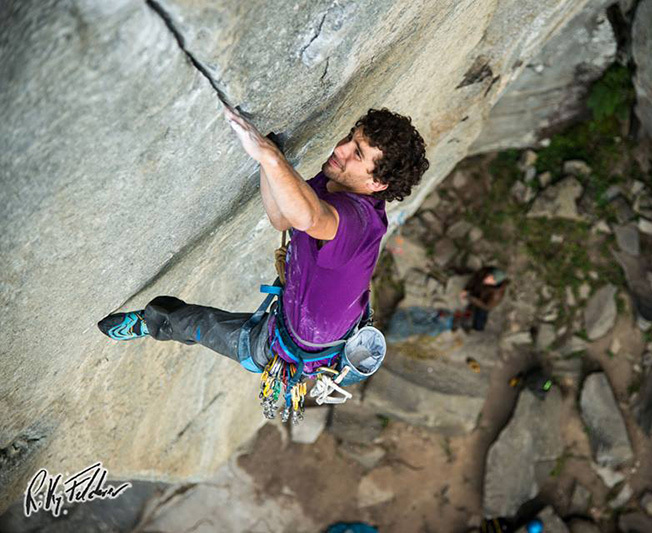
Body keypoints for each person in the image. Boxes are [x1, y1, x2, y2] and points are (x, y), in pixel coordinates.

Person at [98, 106, 429, 418]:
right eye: (350, 138)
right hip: (289, 322)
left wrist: (270, 157)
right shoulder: (334, 182)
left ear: (376, 184)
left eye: (356, 153)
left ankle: (149, 322)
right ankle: (157, 320)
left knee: (197, 324)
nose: (340, 148)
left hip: (286, 347)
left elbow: (312, 217)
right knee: (197, 323)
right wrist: (269, 165)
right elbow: (283, 219)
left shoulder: (359, 222)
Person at [458, 266, 508, 332]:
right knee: (470, 308)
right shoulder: (483, 272)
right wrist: (467, 289)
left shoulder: (496, 295)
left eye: (492, 280)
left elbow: (486, 306)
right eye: (489, 276)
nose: (487, 279)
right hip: (478, 291)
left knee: (481, 314)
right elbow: (474, 279)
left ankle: (477, 329)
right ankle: (466, 320)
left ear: (496, 283)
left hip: (484, 303)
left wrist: (470, 297)